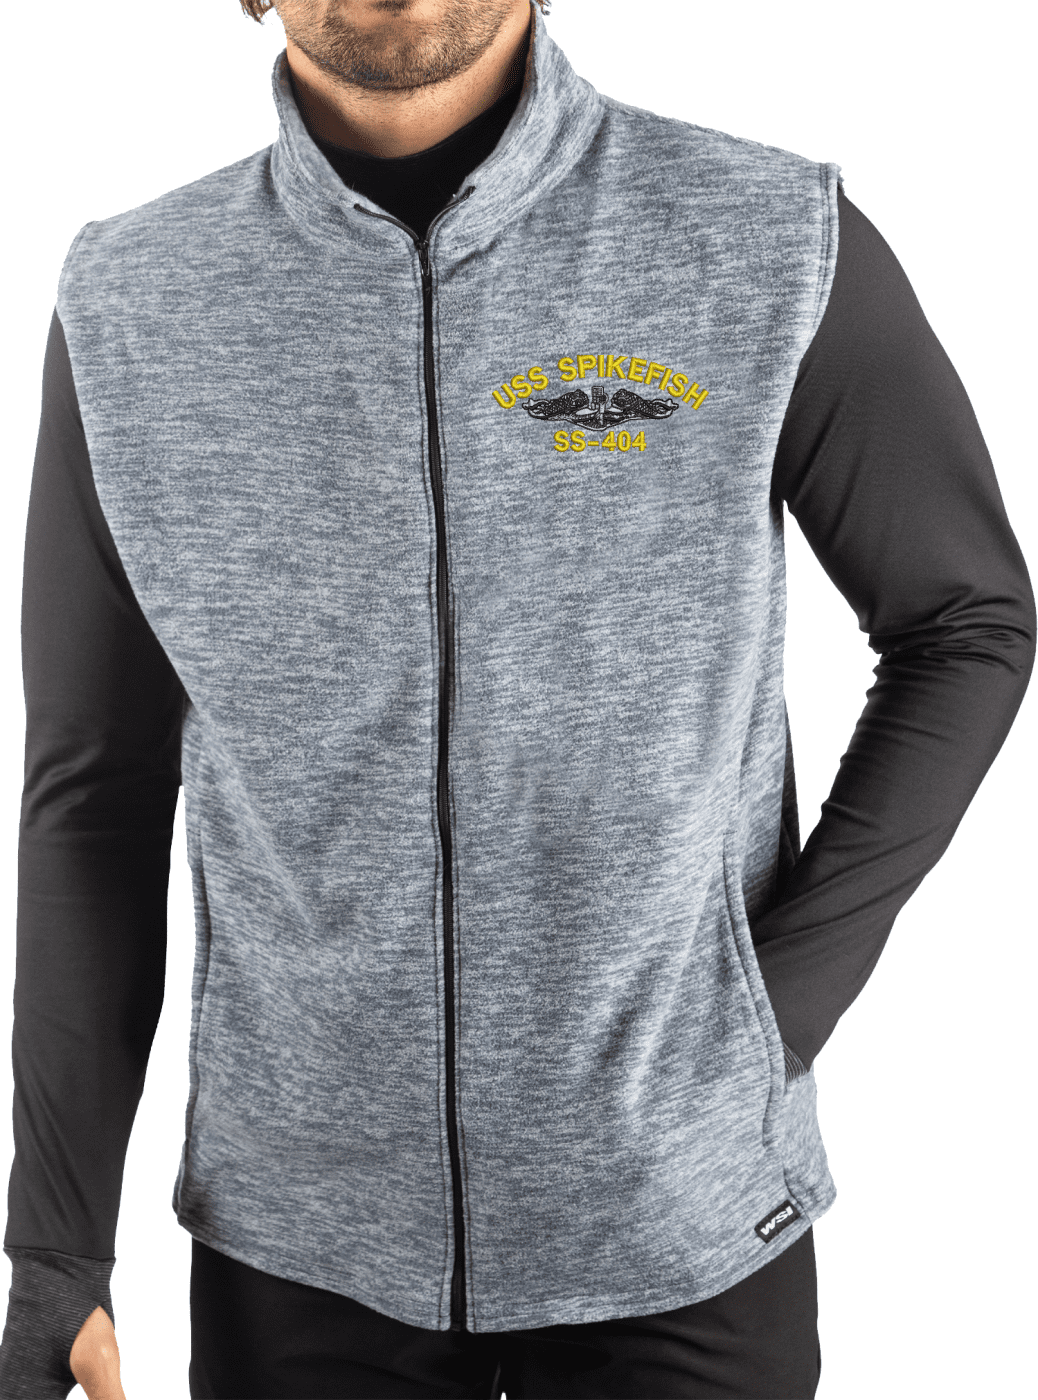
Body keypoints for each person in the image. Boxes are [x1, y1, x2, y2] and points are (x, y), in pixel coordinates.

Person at [0, 0, 1033, 1395]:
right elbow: (96, 788)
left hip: (683, 1234)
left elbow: (965, 621)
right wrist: (56, 1243)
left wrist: (770, 1012)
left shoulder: (764, 236)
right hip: (298, 1257)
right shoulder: (133, 300)